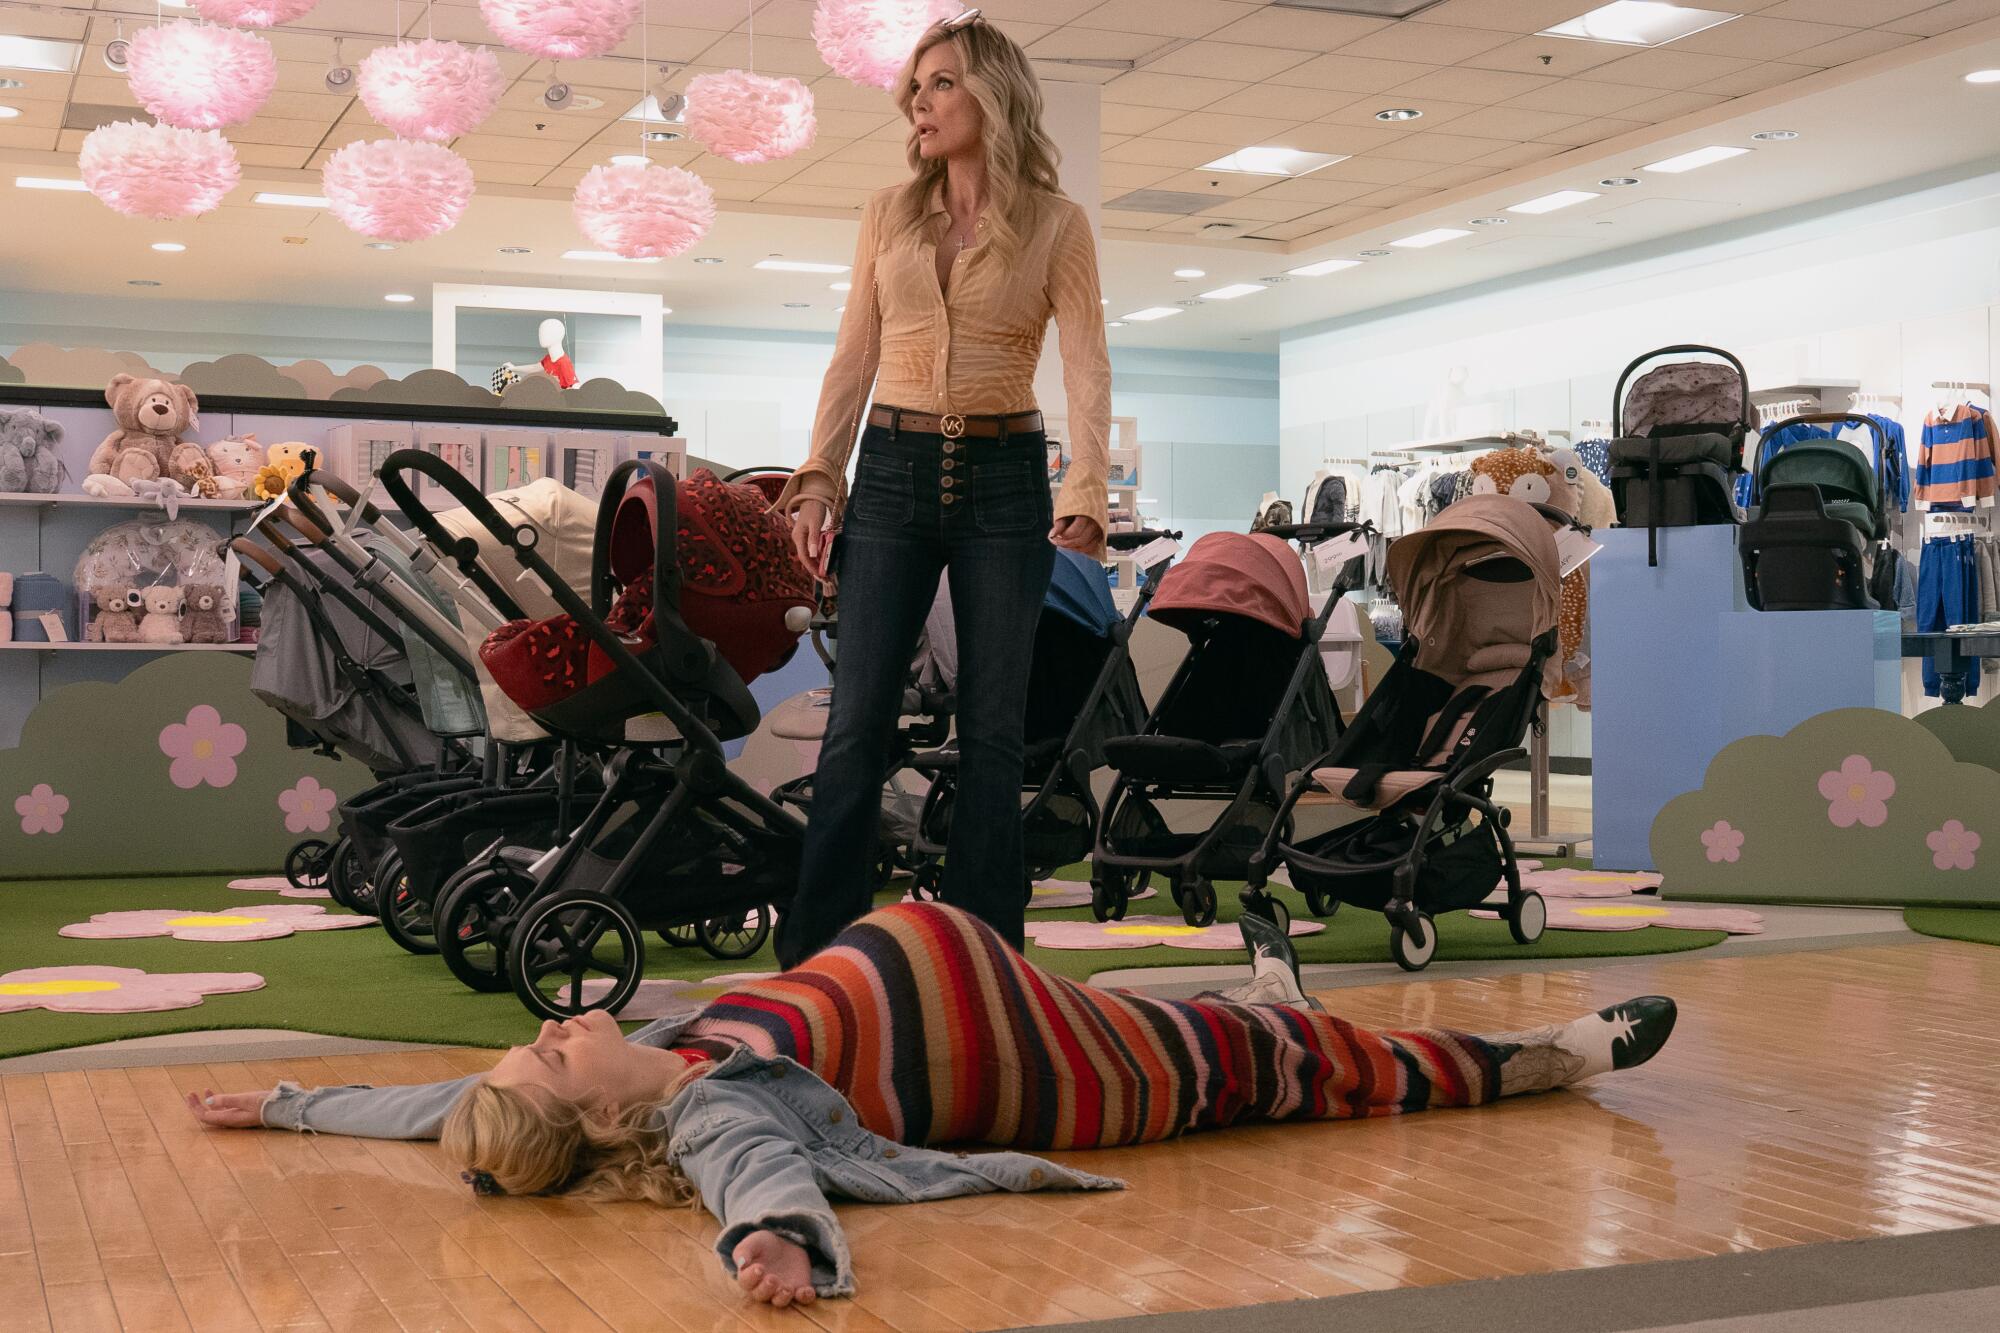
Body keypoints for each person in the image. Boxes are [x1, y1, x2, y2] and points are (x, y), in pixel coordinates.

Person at [187, 902, 1679, 1309]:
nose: (552, 1027)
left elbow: (439, 1100)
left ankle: (1263, 1005)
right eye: (554, 1060)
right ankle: (1545, 1057)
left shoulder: (660, 1051)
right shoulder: (712, 1118)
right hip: (1053, 1073)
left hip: (1039, 1007)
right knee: (1290, 1072)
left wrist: (297, 1100)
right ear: (600, 1123)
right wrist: (776, 1251)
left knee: (1212, 1025)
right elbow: (763, 1181)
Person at [768, 11, 1112, 967]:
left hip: (1007, 479)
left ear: (991, 95)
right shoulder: (888, 213)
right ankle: (817, 963)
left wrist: (1087, 480)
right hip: (893, 467)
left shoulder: (1057, 223)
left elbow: (1087, 366)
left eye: (942, 84)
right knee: (857, 722)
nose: (919, 103)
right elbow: (855, 356)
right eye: (915, 88)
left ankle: (980, 963)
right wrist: (818, 476)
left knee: (994, 733)